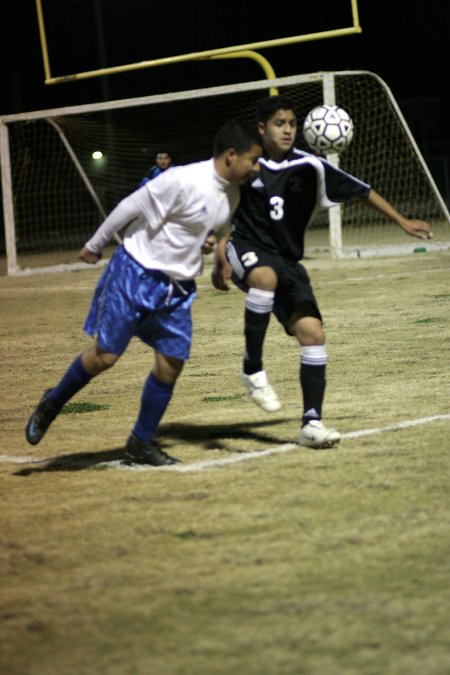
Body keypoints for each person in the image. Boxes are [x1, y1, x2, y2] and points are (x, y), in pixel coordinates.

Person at [25, 120, 262, 466]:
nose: (256, 168)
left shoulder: (232, 194)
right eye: (253, 160)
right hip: (134, 273)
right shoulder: (182, 180)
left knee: (171, 363)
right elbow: (130, 206)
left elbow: (218, 230)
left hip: (176, 288)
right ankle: (53, 402)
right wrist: (95, 244)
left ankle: (141, 441)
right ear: (230, 155)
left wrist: (218, 257)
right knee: (105, 358)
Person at [213, 96, 433, 449]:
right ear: (261, 128)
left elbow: (362, 191)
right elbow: (222, 205)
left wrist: (401, 220)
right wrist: (220, 250)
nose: (287, 130)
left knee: (313, 335)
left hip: (288, 261)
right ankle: (253, 368)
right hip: (248, 248)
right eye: (279, 123)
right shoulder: (247, 163)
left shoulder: (310, 167)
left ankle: (311, 423)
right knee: (265, 278)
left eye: (292, 124)